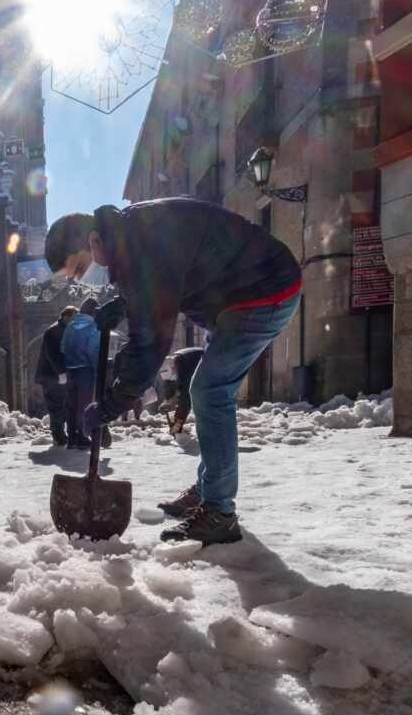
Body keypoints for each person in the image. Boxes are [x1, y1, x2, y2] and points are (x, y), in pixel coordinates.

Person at [45, 198, 301, 545]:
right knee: (206, 389)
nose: (83, 280)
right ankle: (210, 491)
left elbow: (150, 342)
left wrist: (111, 405)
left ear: (92, 242)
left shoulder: (140, 246)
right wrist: (121, 306)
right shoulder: (130, 236)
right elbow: (163, 283)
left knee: (210, 391)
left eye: (78, 269)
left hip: (264, 290)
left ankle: (219, 512)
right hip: (238, 295)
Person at [60, 299, 100, 449]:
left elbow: (63, 347)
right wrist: (97, 368)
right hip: (86, 369)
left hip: (71, 369)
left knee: (71, 405)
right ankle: (83, 438)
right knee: (84, 405)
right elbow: (93, 349)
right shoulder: (93, 326)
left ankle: (72, 438)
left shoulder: (70, 325)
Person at [34, 305, 77, 446]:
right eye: (74, 318)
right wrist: (62, 372)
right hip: (52, 376)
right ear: (66, 317)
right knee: (57, 405)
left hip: (58, 375)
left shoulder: (65, 330)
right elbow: (53, 355)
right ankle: (58, 435)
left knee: (63, 405)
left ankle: (60, 434)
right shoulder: (54, 331)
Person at [158, 346, 205, 438]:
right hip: (197, 362)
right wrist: (166, 401)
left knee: (197, 399)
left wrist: (178, 422)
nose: (174, 375)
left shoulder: (185, 367)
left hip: (210, 365)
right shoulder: (173, 362)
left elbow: (185, 397)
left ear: (173, 367)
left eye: (174, 373)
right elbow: (169, 383)